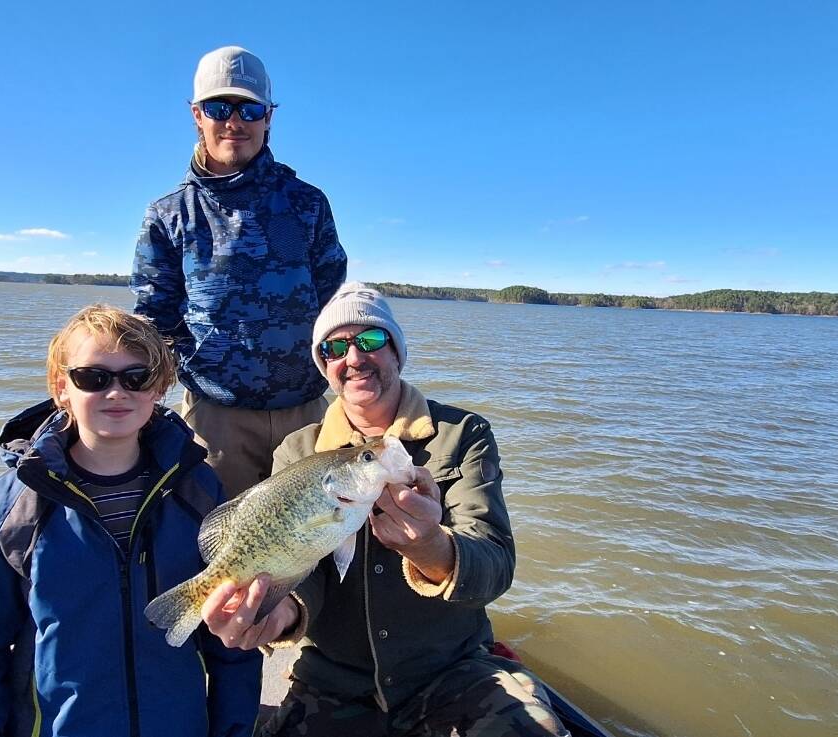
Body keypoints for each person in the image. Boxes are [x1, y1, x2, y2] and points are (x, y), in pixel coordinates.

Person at [203, 284, 570, 736]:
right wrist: (281, 614)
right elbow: (307, 566)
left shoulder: (462, 434)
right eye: (334, 348)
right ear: (324, 367)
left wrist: (433, 548)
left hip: (451, 673)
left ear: (397, 352)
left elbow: (495, 565)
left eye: (371, 341)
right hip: (334, 681)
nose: (353, 357)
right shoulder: (297, 452)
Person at [0, 304, 260, 737]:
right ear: (62, 388)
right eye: (93, 378)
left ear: (158, 388)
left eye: (135, 377)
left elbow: (230, 642)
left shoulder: (198, 490)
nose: (116, 392)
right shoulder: (6, 509)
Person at [132, 45, 347, 497]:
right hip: (215, 419)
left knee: (314, 551)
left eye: (250, 108)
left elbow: (331, 298)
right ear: (196, 115)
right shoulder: (169, 214)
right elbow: (154, 318)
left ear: (269, 117)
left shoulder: (308, 203)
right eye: (219, 107)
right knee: (221, 547)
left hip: (306, 413)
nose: (235, 121)